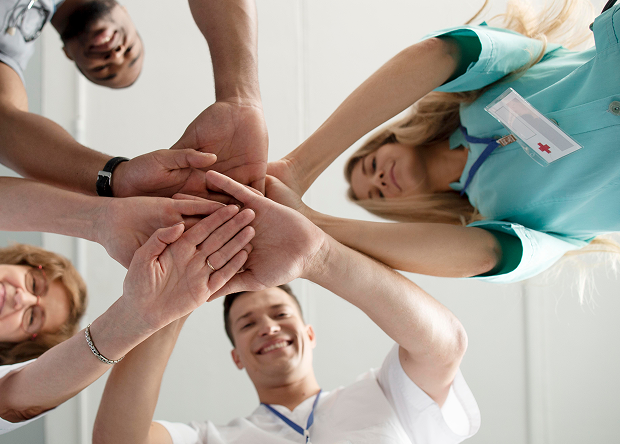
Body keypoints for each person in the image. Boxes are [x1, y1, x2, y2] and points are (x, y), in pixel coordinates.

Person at [0, 174, 255, 443]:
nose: (22, 299)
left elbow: (19, 401)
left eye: (33, 317)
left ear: (15, 345)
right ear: (9, 261)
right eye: (33, 283)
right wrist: (100, 218)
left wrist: (134, 319)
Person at [92, 171, 481, 444]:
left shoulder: (385, 395)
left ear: (310, 335)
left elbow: (444, 345)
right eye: (247, 324)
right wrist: (175, 301)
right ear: (237, 357)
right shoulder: (212, 438)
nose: (269, 327)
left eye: (281, 315)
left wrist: (320, 257)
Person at [266, 0, 620, 284]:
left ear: (390, 140)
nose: (379, 180)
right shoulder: (499, 216)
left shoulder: (478, 94)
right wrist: (311, 224)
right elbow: (484, 257)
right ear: (400, 209)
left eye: (371, 166)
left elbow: (444, 51)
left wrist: (299, 167)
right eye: (377, 195)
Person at [0, 0, 268, 198]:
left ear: (69, 56)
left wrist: (118, 176)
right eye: (131, 50)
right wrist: (240, 97)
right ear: (124, 11)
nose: (116, 56)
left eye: (106, 70)